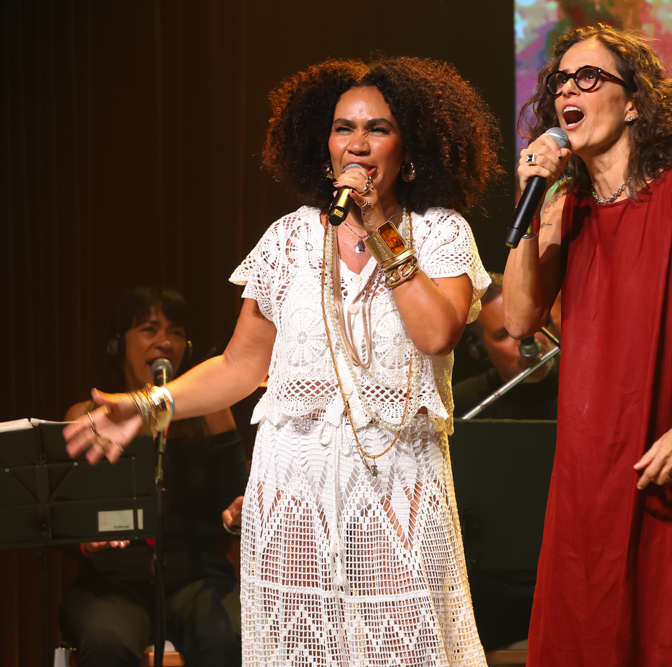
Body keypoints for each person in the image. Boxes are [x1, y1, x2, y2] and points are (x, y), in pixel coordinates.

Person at [63, 56, 502, 667]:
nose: (357, 143)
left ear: (411, 147)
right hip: (294, 492)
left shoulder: (439, 232)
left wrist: (379, 224)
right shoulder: (288, 239)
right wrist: (148, 405)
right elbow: (239, 366)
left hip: (396, 490)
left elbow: (437, 333)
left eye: (377, 128)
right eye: (343, 128)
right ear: (324, 145)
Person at [505, 25, 672, 666]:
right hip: (596, 461)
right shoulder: (563, 206)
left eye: (588, 77)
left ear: (633, 103)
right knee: (593, 624)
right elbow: (519, 318)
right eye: (559, 82)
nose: (568, 91)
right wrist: (532, 195)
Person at [60, 287, 245, 667]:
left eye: (176, 332)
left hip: (198, 578)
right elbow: (61, 519)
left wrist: (239, 514)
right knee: (106, 645)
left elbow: (235, 499)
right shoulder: (86, 416)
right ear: (118, 345)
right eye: (149, 329)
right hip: (113, 583)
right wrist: (87, 543)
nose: (165, 342)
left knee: (227, 637)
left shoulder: (211, 414)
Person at [453, 272, 559, 420]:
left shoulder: (588, 378)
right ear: (480, 348)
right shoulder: (461, 406)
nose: (526, 341)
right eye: (504, 335)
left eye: (529, 321)